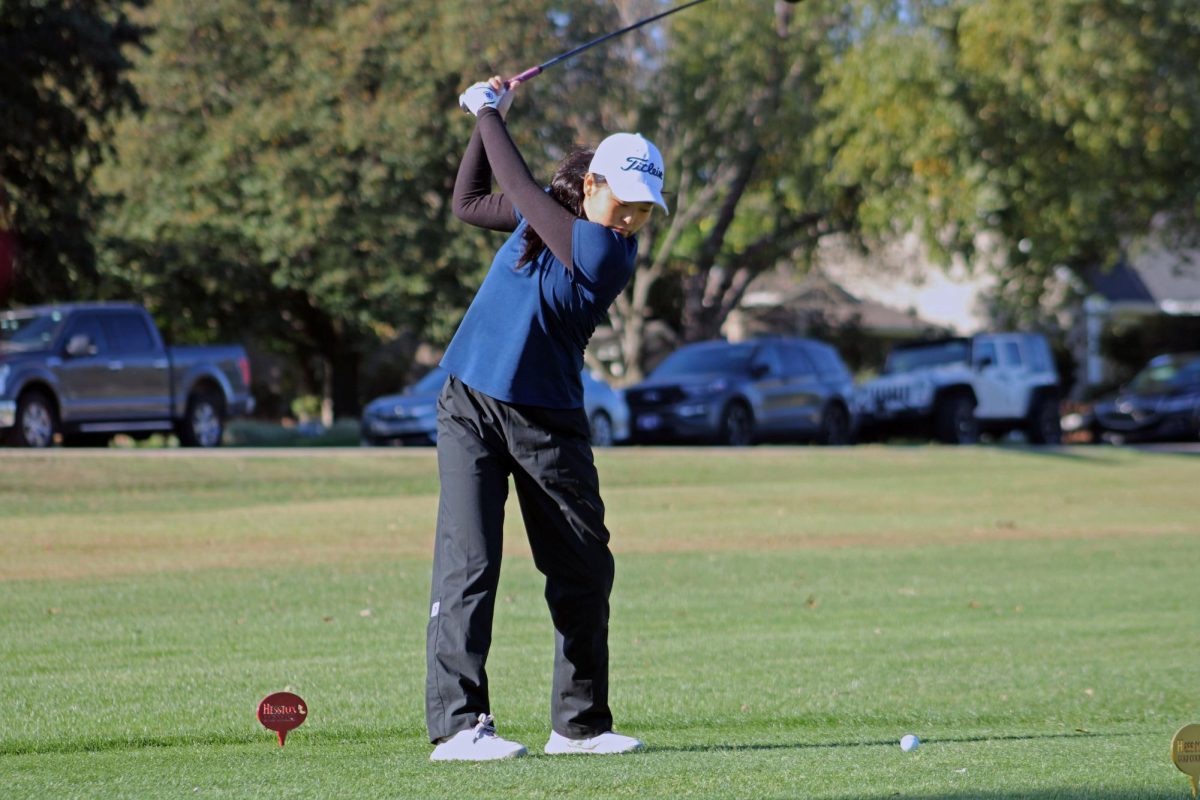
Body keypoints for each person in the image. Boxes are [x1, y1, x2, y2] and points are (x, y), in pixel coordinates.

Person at [425, 76, 668, 762]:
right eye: (626, 203)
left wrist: (490, 111)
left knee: (585, 567)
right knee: (468, 564)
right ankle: (460, 727)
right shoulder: (554, 220)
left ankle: (580, 725)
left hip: (547, 419)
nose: (632, 220)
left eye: (645, 212)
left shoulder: (606, 251)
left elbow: (525, 192)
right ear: (592, 185)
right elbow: (470, 202)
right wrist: (486, 121)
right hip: (470, 401)